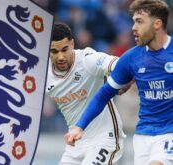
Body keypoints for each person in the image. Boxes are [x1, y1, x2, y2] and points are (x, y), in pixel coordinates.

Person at [66, 0, 173, 165]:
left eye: (139, 21)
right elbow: (103, 94)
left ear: (157, 23)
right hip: (143, 136)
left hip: (169, 133)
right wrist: (80, 126)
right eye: (133, 21)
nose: (133, 28)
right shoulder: (131, 58)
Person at [46, 22, 126, 165]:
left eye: (65, 49)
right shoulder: (43, 75)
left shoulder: (87, 60)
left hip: (105, 139)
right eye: (54, 52)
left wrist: (122, 80)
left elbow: (120, 65)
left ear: (72, 44)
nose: (61, 57)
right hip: (75, 142)